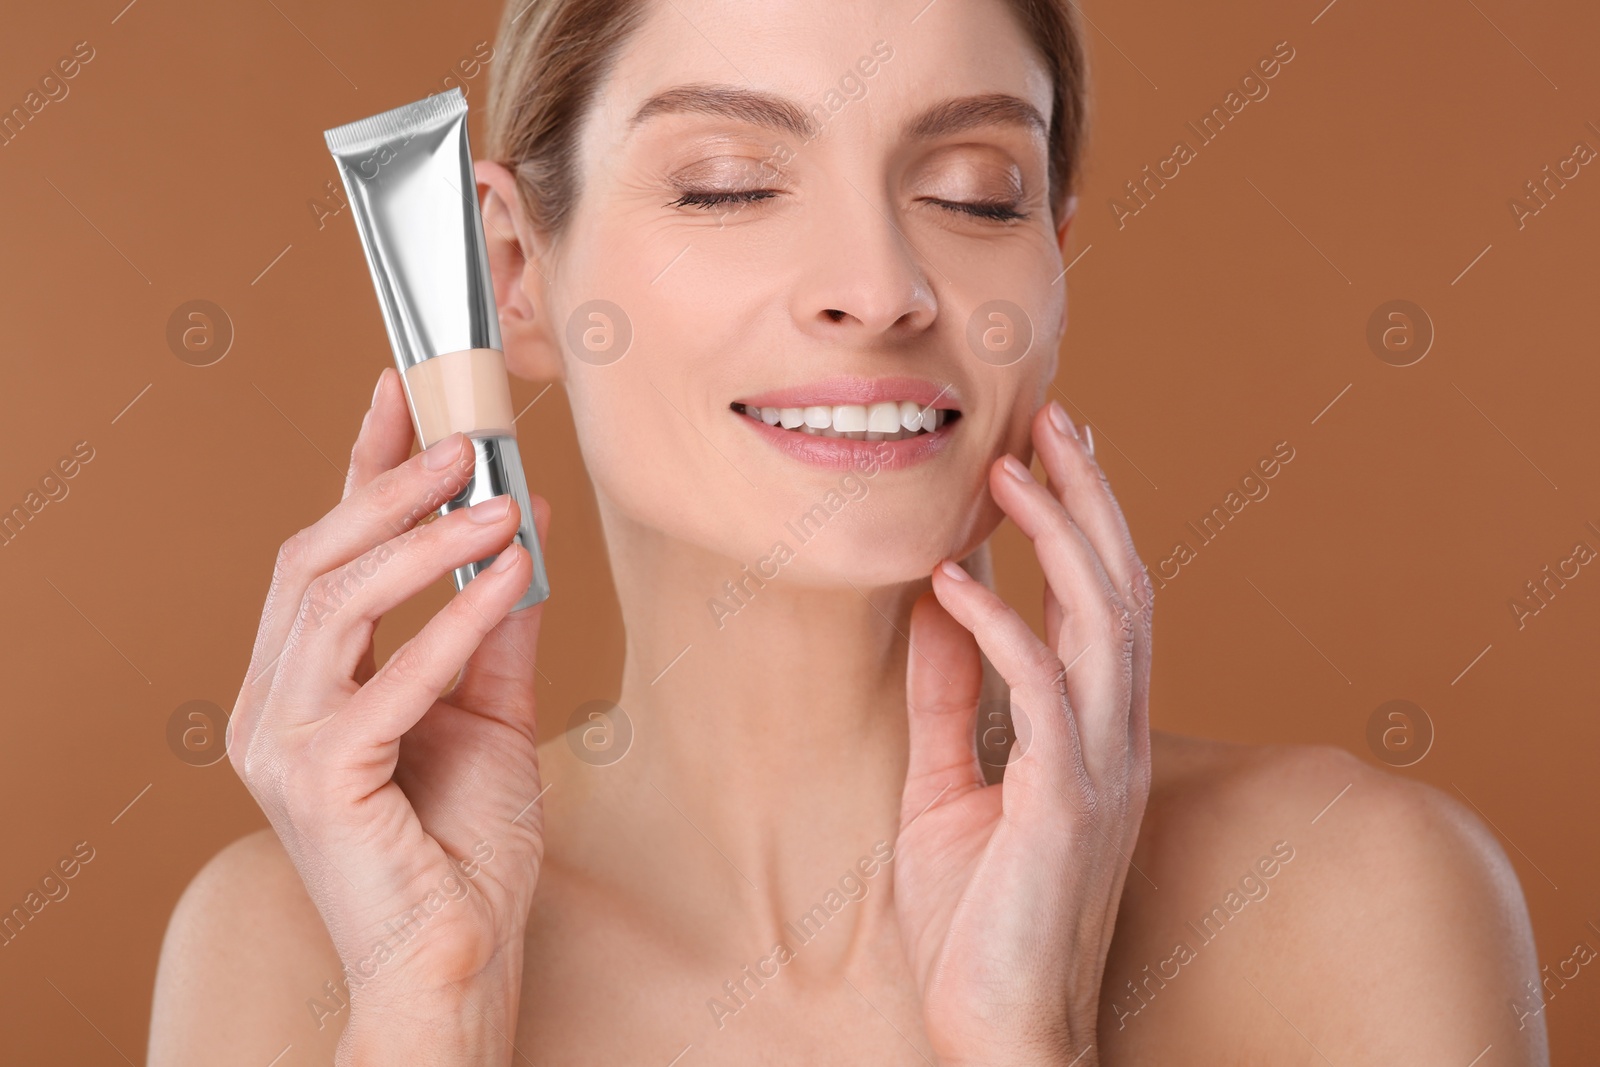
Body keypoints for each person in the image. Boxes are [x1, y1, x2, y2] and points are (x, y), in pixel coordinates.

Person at [148, 0, 1547, 1063]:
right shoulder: (299, 944)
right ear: (516, 275)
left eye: (973, 193)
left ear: (1052, 256)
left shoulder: (1353, 895)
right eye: (729, 184)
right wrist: (426, 1011)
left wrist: (1025, 1036)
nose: (880, 287)